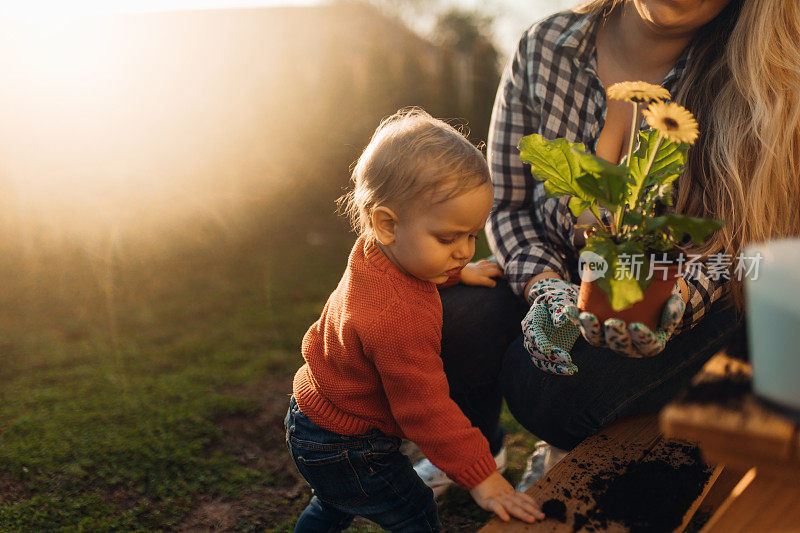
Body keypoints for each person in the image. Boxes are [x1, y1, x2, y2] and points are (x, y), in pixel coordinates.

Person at [415, 0, 800, 495]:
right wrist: (546, 289)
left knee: (550, 391)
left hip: (689, 299)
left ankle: (582, 443)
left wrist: (673, 298)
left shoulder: (758, 74)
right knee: (452, 316)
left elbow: (741, 242)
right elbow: (507, 205)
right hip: (561, 272)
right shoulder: (546, 47)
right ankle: (473, 448)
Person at [284, 108, 545, 532]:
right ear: (387, 223)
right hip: (350, 443)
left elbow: (415, 265)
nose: (463, 250)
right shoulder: (396, 319)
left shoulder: (375, 250)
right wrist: (482, 477)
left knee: (335, 503)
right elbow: (424, 408)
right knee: (416, 513)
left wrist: (462, 272)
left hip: (313, 417)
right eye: (448, 238)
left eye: (471, 235)